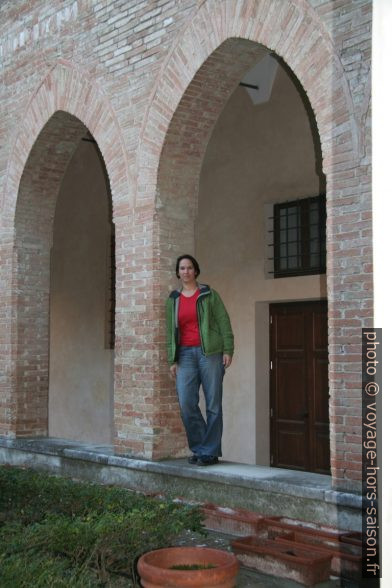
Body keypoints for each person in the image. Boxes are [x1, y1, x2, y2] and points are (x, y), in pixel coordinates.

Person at [166, 254, 234, 466]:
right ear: (178, 272)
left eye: (189, 268)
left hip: (210, 353)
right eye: (182, 268)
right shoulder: (173, 299)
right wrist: (172, 359)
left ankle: (209, 452)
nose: (186, 271)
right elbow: (170, 331)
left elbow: (224, 322)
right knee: (187, 403)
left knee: (213, 404)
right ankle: (201, 448)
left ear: (196, 271)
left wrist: (228, 349)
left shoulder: (209, 295)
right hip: (185, 354)